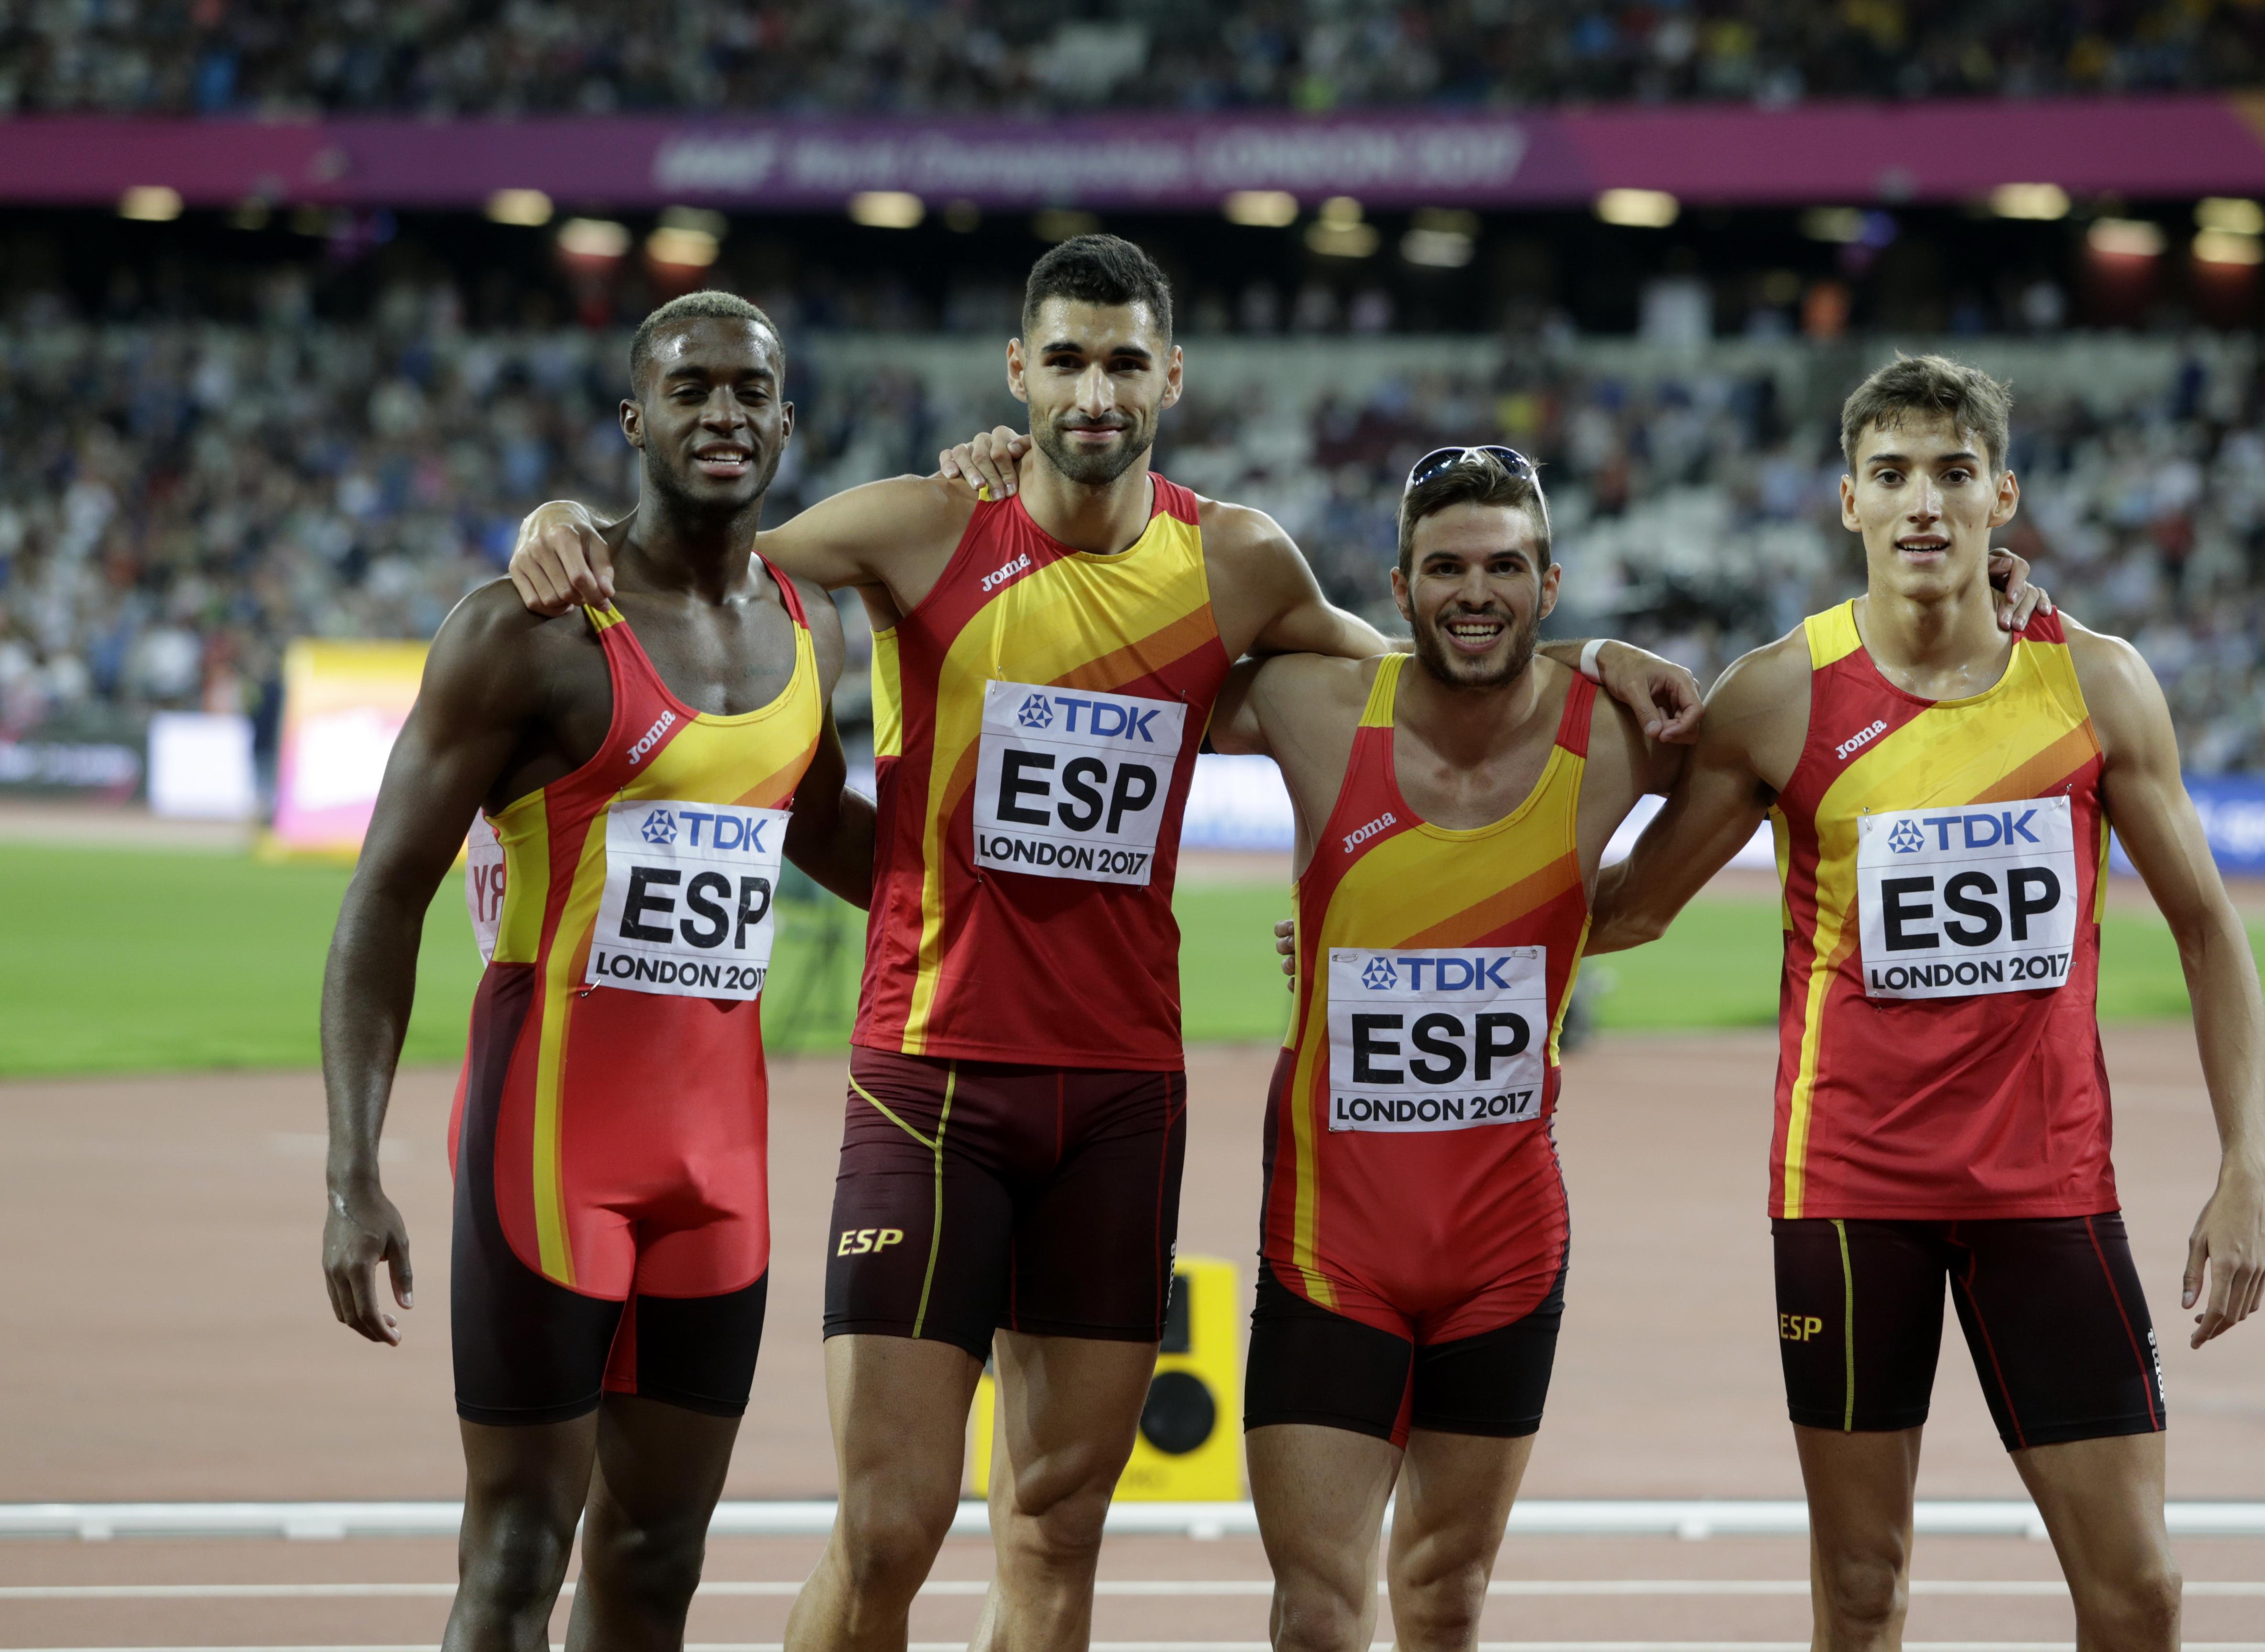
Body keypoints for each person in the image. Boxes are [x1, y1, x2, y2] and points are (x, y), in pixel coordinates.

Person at [502, 235, 1708, 1652]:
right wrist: (560, 519)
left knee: (1056, 1530)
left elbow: (1420, 669)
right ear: (1019, 371)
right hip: (934, 1085)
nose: (1094, 388)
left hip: (1122, 1100)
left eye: (1124, 359)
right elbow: (697, 555)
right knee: (889, 1525)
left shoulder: (1241, 561)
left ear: (1172, 378)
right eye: (1065, 359)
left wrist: (1595, 662)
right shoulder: (920, 527)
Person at [1589, 354, 2265, 1651]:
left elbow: (2208, 926)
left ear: (2000, 495)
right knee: (1862, 1593)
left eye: (1954, 475)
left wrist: (2250, 1163)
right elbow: (1632, 908)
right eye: (1892, 475)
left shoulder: (2096, 683)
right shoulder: (1779, 695)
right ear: (1846, 500)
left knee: (2140, 1594)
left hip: (2047, 1187)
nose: (1923, 504)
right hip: (1852, 1195)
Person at [320, 291, 871, 1652]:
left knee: (660, 1557)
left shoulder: (814, 626)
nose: (724, 414)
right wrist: (352, 1174)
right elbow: (380, 901)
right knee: (516, 1558)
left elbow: (832, 836)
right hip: (550, 1141)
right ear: (636, 421)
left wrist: (1032, 862)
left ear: (788, 421)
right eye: (690, 391)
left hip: (719, 1165)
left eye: (751, 390)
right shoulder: (530, 629)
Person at [1209, 445, 1677, 1652]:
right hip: (1332, 1248)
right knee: (1317, 1616)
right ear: (1400, 587)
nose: (1477, 590)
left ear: (1552, 583)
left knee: (1446, 1599)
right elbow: (1125, 674)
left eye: (1506, 567)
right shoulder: (1313, 707)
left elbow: (1816, 731)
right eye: (1447, 568)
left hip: (1504, 1253)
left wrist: (1993, 603)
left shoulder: (1622, 733)